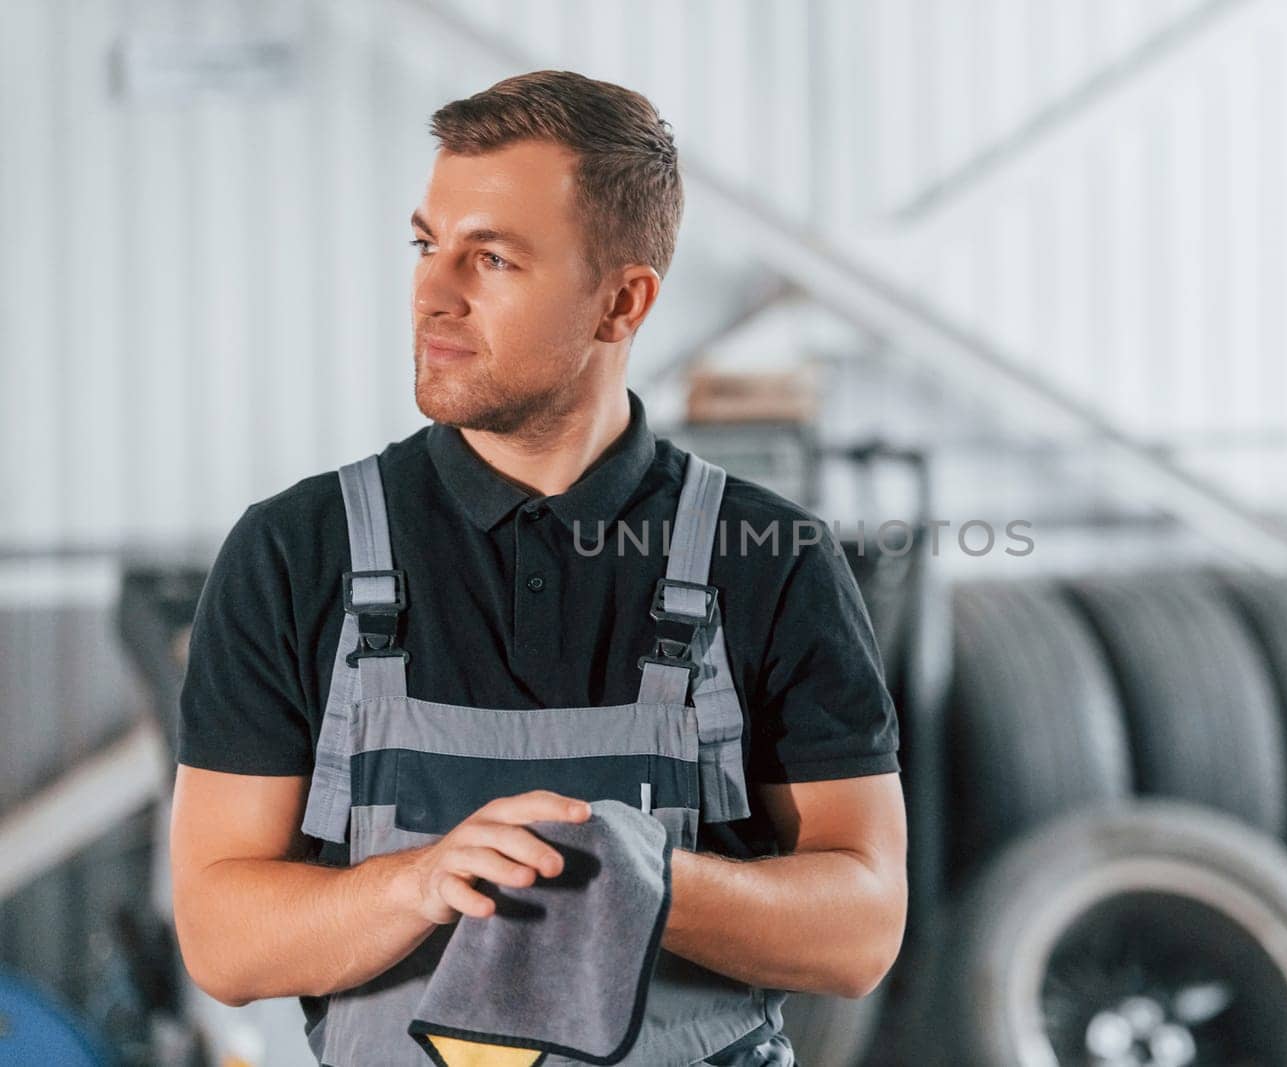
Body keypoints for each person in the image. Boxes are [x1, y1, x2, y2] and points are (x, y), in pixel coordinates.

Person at [169, 69, 906, 1066]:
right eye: (428, 244)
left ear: (621, 302)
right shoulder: (297, 552)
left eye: (494, 258)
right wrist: (419, 880)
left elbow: (862, 927)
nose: (433, 292)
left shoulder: (766, 560)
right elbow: (222, 934)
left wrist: (653, 879)